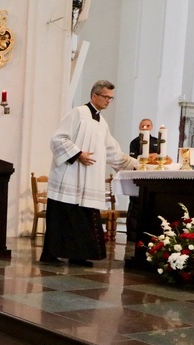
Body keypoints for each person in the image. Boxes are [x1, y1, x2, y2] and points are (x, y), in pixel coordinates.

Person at [40, 80, 138, 267]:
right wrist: (78, 154)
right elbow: (58, 138)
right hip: (69, 177)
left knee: (81, 220)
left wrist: (136, 165)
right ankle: (50, 255)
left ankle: (78, 255)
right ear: (94, 96)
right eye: (106, 97)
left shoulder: (102, 122)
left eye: (111, 98)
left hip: (87, 183)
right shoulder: (78, 113)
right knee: (61, 218)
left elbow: (112, 152)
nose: (109, 101)